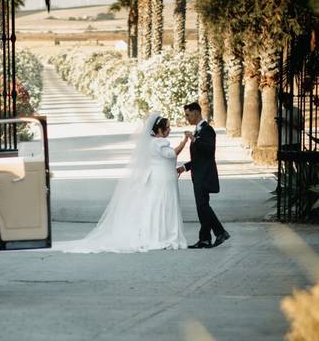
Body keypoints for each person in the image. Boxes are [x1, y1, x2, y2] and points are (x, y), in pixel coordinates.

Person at [59, 112, 189, 253]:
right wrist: (184, 141)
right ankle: (163, 236)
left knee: (163, 205)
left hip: (164, 180)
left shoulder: (153, 142)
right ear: (159, 129)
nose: (170, 129)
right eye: (167, 127)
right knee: (163, 205)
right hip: (162, 181)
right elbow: (172, 154)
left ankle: (163, 234)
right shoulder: (157, 142)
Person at [178, 102, 230, 249]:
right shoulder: (198, 130)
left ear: (196, 112)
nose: (187, 118)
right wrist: (184, 167)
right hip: (198, 175)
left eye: (188, 114)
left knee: (203, 206)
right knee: (202, 207)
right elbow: (198, 158)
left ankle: (220, 232)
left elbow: (209, 150)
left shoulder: (208, 130)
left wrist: (194, 140)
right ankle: (205, 239)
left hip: (205, 175)